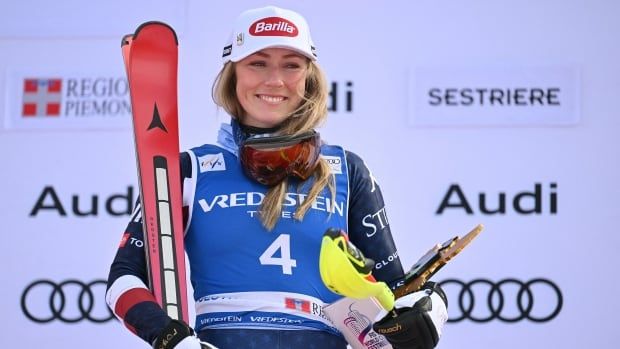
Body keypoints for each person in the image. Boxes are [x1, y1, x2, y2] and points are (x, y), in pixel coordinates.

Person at [106, 5, 448, 349]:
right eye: (258, 62)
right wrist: (172, 338)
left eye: (291, 65)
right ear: (232, 73)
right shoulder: (188, 170)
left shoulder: (346, 170)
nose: (275, 80)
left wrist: (428, 307)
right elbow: (123, 280)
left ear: (309, 76)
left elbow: (395, 291)